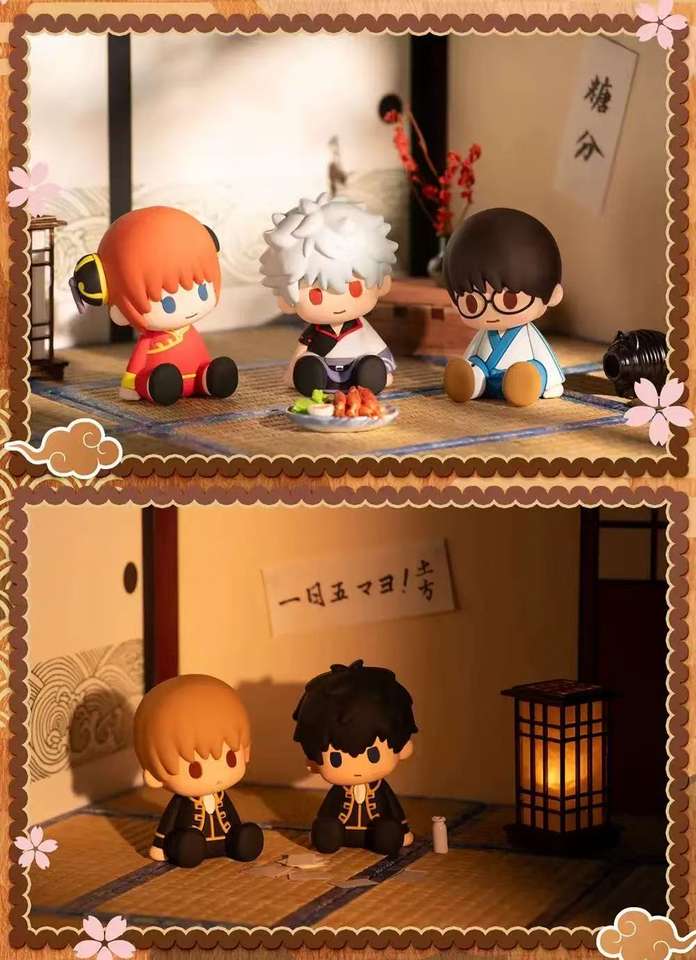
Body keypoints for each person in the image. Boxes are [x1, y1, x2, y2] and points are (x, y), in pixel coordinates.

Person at [71, 206, 238, 406]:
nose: (189, 308)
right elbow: (137, 364)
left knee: (210, 368)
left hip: (196, 374)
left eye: (203, 291)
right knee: (153, 378)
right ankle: (160, 386)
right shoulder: (149, 341)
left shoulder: (189, 330)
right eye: (168, 304)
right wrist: (130, 384)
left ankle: (208, 378)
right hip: (160, 375)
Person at [260, 194, 398, 396]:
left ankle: (369, 376)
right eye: (316, 296)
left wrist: (384, 369)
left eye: (354, 289)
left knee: (370, 364)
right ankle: (310, 377)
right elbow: (301, 352)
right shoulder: (314, 334)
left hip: (357, 370)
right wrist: (293, 372)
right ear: (286, 300)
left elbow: (377, 348)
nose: (338, 302)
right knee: (309, 363)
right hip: (324, 372)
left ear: (382, 283)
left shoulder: (361, 328)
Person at [132, 674, 264, 868]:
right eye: (195, 769)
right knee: (186, 842)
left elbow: (231, 816)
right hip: (193, 843)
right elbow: (169, 822)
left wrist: (237, 830)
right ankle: (186, 849)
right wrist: (160, 846)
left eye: (230, 758)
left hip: (225, 840)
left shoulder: (221, 797)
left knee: (242, 832)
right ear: (154, 775)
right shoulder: (182, 802)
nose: (217, 776)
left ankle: (239, 843)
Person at [292, 660, 417, 857]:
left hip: (377, 832)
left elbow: (392, 807)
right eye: (336, 760)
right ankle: (329, 836)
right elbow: (328, 811)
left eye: (373, 755)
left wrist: (402, 829)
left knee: (388, 831)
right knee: (327, 829)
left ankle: (387, 836)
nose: (357, 769)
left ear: (403, 748)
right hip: (342, 832)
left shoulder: (380, 789)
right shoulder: (338, 791)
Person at [443, 207, 565, 407]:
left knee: (534, 369)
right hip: (487, 377)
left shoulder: (528, 335)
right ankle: (469, 383)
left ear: (552, 294)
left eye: (509, 301)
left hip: (521, 374)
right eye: (472, 303)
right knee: (475, 366)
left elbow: (544, 357)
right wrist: (468, 367)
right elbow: (472, 355)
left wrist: (552, 383)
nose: (490, 312)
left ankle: (526, 385)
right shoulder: (484, 334)